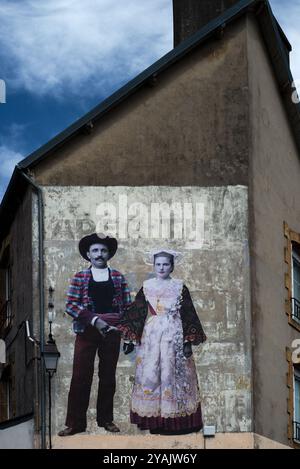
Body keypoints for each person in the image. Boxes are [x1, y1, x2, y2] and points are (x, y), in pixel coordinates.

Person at [119, 249, 206, 435]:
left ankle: (176, 419)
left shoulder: (180, 287)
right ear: (154, 265)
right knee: (152, 373)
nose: (161, 267)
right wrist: (129, 338)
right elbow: (138, 312)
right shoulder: (147, 286)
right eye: (158, 264)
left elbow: (188, 313)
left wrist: (187, 341)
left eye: (165, 264)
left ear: (172, 266)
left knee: (172, 373)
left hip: (174, 332)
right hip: (151, 334)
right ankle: (155, 421)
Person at [58, 233, 131, 436]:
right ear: (88, 255)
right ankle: (75, 423)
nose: (99, 254)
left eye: (103, 250)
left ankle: (106, 419)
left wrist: (126, 332)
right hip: (86, 331)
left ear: (109, 254)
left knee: (108, 377)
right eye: (95, 251)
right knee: (81, 375)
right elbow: (71, 306)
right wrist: (94, 320)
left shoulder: (117, 277)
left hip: (112, 332)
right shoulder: (80, 277)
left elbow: (127, 307)